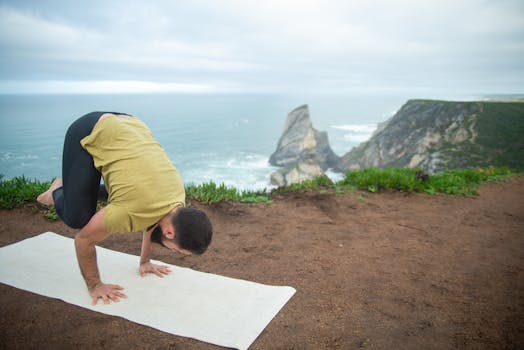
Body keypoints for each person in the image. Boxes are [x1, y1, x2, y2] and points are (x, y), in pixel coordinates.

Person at [37, 111, 213, 305]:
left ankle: (74, 191)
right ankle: (58, 189)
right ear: (170, 233)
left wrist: (145, 262)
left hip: (129, 123)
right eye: (178, 251)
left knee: (123, 196)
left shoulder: (176, 200)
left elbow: (152, 222)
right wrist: (95, 285)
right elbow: (83, 240)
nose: (174, 252)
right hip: (89, 129)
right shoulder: (130, 212)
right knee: (77, 218)